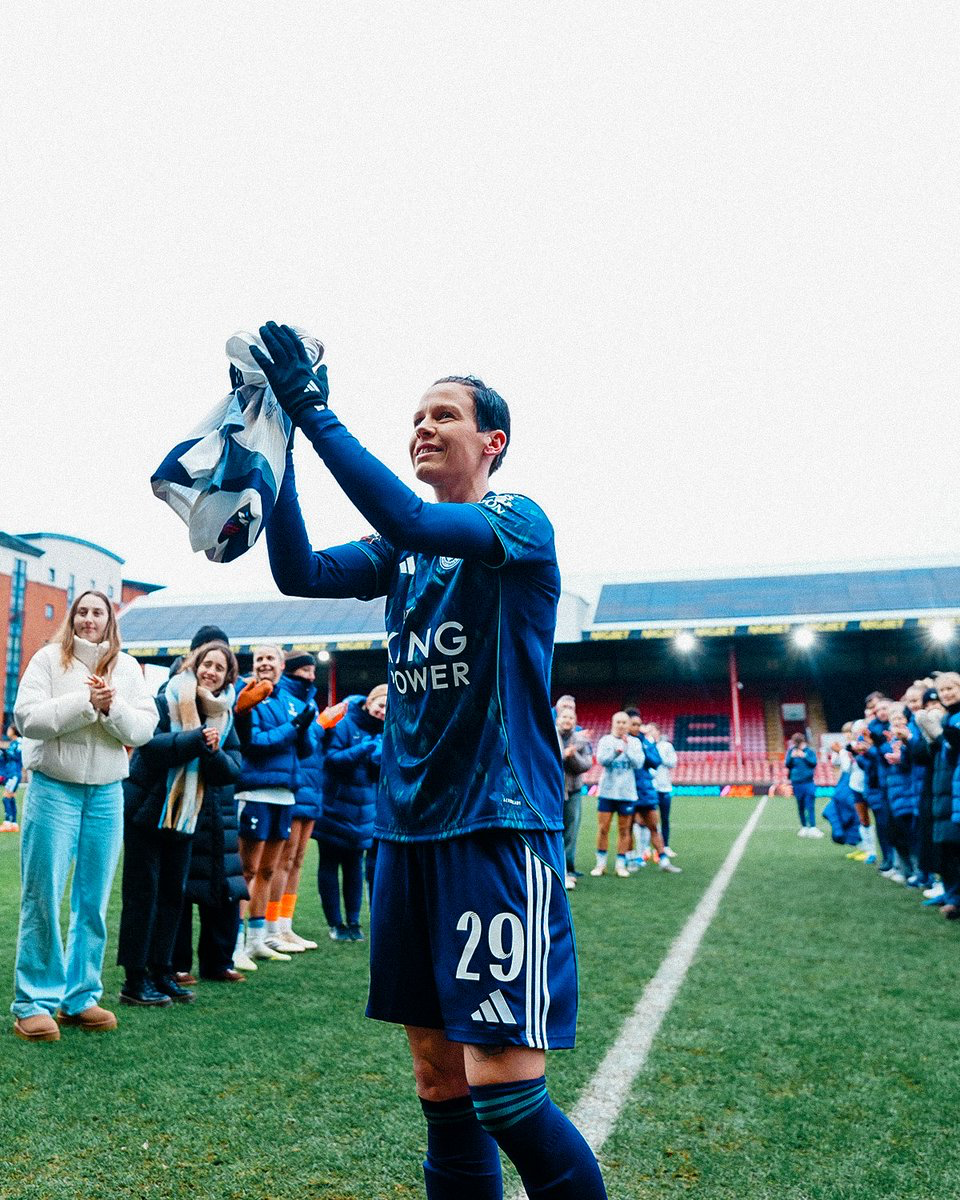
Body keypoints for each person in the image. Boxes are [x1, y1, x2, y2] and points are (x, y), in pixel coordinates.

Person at [253, 322, 606, 1199]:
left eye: (442, 414)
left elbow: (407, 514)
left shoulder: (517, 522)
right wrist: (279, 449)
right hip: (403, 835)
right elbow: (295, 572)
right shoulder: (400, 552)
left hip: (494, 825)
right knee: (439, 1084)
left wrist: (310, 405)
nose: (422, 427)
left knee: (506, 1091)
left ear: (492, 441)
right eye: (414, 416)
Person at [11, 590, 158, 1041]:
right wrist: (85, 703)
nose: (89, 619)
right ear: (72, 618)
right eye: (82, 611)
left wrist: (111, 706)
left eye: (98, 612)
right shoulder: (48, 660)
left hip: (106, 794)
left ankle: (81, 997)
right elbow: (28, 718)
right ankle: (33, 1002)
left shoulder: (129, 668)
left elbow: (143, 729)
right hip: (54, 789)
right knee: (44, 895)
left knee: (92, 900)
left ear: (110, 620)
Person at [117, 640, 241, 1004]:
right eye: (207, 664)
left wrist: (213, 751)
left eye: (220, 667)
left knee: (173, 895)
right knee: (143, 893)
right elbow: (148, 746)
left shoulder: (225, 715)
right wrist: (194, 740)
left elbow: (233, 769)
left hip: (188, 814)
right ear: (194, 664)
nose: (211, 672)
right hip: (146, 808)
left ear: (227, 677)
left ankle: (162, 971)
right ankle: (135, 981)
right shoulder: (167, 695)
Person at [234, 644, 315, 964]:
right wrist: (294, 727)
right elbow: (254, 744)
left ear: (282, 666)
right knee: (247, 869)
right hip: (255, 791)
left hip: (285, 792)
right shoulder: (248, 696)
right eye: (259, 659)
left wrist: (306, 725)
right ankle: (235, 943)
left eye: (270, 659)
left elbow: (305, 751)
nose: (265, 664)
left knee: (268, 869)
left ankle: (259, 937)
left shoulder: (293, 701)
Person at [263, 652, 324, 954]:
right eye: (304, 669)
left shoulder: (309, 702)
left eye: (313, 670)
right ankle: (271, 924)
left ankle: (286, 924)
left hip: (311, 788)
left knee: (298, 859)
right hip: (294, 785)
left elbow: (312, 743)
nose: (310, 676)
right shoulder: (284, 697)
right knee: (282, 860)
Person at [315, 684, 386, 941]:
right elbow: (332, 760)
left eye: (388, 708)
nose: (383, 712)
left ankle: (354, 923)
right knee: (330, 864)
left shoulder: (387, 731)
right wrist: (366, 748)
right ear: (369, 702)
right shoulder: (345, 721)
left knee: (355, 867)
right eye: (380, 705)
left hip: (365, 811)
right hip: (334, 806)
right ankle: (336, 923)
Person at [625, 710, 681, 874]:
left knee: (653, 827)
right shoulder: (622, 740)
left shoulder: (646, 742)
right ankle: (631, 860)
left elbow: (655, 761)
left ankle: (663, 860)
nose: (636, 727)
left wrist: (643, 744)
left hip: (645, 790)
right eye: (633, 724)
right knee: (628, 828)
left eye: (638, 724)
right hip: (627, 791)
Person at [592, 712, 644, 878]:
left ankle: (620, 865)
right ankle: (600, 864)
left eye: (624, 722)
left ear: (628, 725)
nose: (621, 725)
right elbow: (601, 760)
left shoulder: (635, 742)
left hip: (626, 793)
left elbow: (638, 764)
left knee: (624, 830)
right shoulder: (605, 740)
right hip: (607, 791)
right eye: (618, 722)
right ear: (612, 723)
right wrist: (616, 752)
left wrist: (626, 749)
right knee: (603, 828)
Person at [556, 707, 592, 889]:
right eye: (564, 716)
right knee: (554, 830)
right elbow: (546, 760)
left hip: (574, 790)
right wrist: (564, 755)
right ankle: (555, 867)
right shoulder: (549, 733)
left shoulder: (581, 740)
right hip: (553, 790)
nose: (567, 720)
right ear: (558, 718)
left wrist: (573, 755)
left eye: (571, 717)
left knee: (571, 830)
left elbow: (586, 764)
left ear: (575, 720)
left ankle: (568, 868)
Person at [648, 722, 678, 857]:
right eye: (648, 731)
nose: (650, 733)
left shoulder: (666, 746)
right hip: (649, 788)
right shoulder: (645, 746)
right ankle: (647, 848)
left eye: (652, 730)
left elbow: (673, 762)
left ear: (658, 731)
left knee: (665, 818)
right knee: (649, 820)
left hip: (664, 787)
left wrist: (659, 758)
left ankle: (665, 846)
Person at [785, 733, 821, 837]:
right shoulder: (791, 751)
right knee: (800, 805)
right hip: (796, 783)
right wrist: (792, 757)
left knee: (810, 805)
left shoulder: (809, 751)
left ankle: (813, 827)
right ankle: (804, 827)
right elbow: (787, 764)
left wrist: (804, 756)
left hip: (808, 782)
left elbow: (813, 763)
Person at [0, 725, 22, 832]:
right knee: (11, 797)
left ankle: (7, 823)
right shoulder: (13, 743)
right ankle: (13, 824)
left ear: (14, 731)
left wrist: (4, 752)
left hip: (14, 774)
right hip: (11, 774)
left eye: (9, 729)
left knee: (6, 797)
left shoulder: (19, 743)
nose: (7, 731)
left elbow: (16, 755)